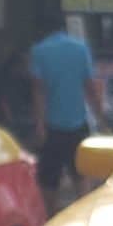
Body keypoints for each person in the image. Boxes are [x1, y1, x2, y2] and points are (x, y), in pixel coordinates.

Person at [28, 22, 102, 204]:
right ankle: (83, 215)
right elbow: (90, 87)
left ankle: (50, 219)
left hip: (52, 126)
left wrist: (40, 125)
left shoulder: (38, 51)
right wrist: (102, 119)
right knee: (82, 175)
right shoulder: (81, 48)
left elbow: (39, 91)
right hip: (78, 123)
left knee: (48, 181)